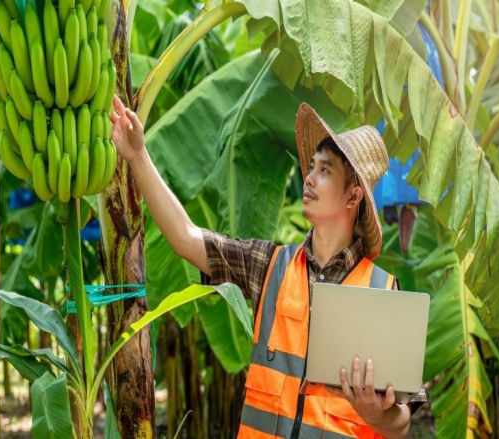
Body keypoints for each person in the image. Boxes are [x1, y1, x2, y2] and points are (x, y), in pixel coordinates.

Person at [109, 96, 425, 438]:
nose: (309, 179)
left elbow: (403, 420)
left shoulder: (382, 290)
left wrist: (376, 415)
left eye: (325, 170)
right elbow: (186, 238)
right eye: (312, 167)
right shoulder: (270, 265)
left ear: (353, 196)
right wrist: (138, 155)